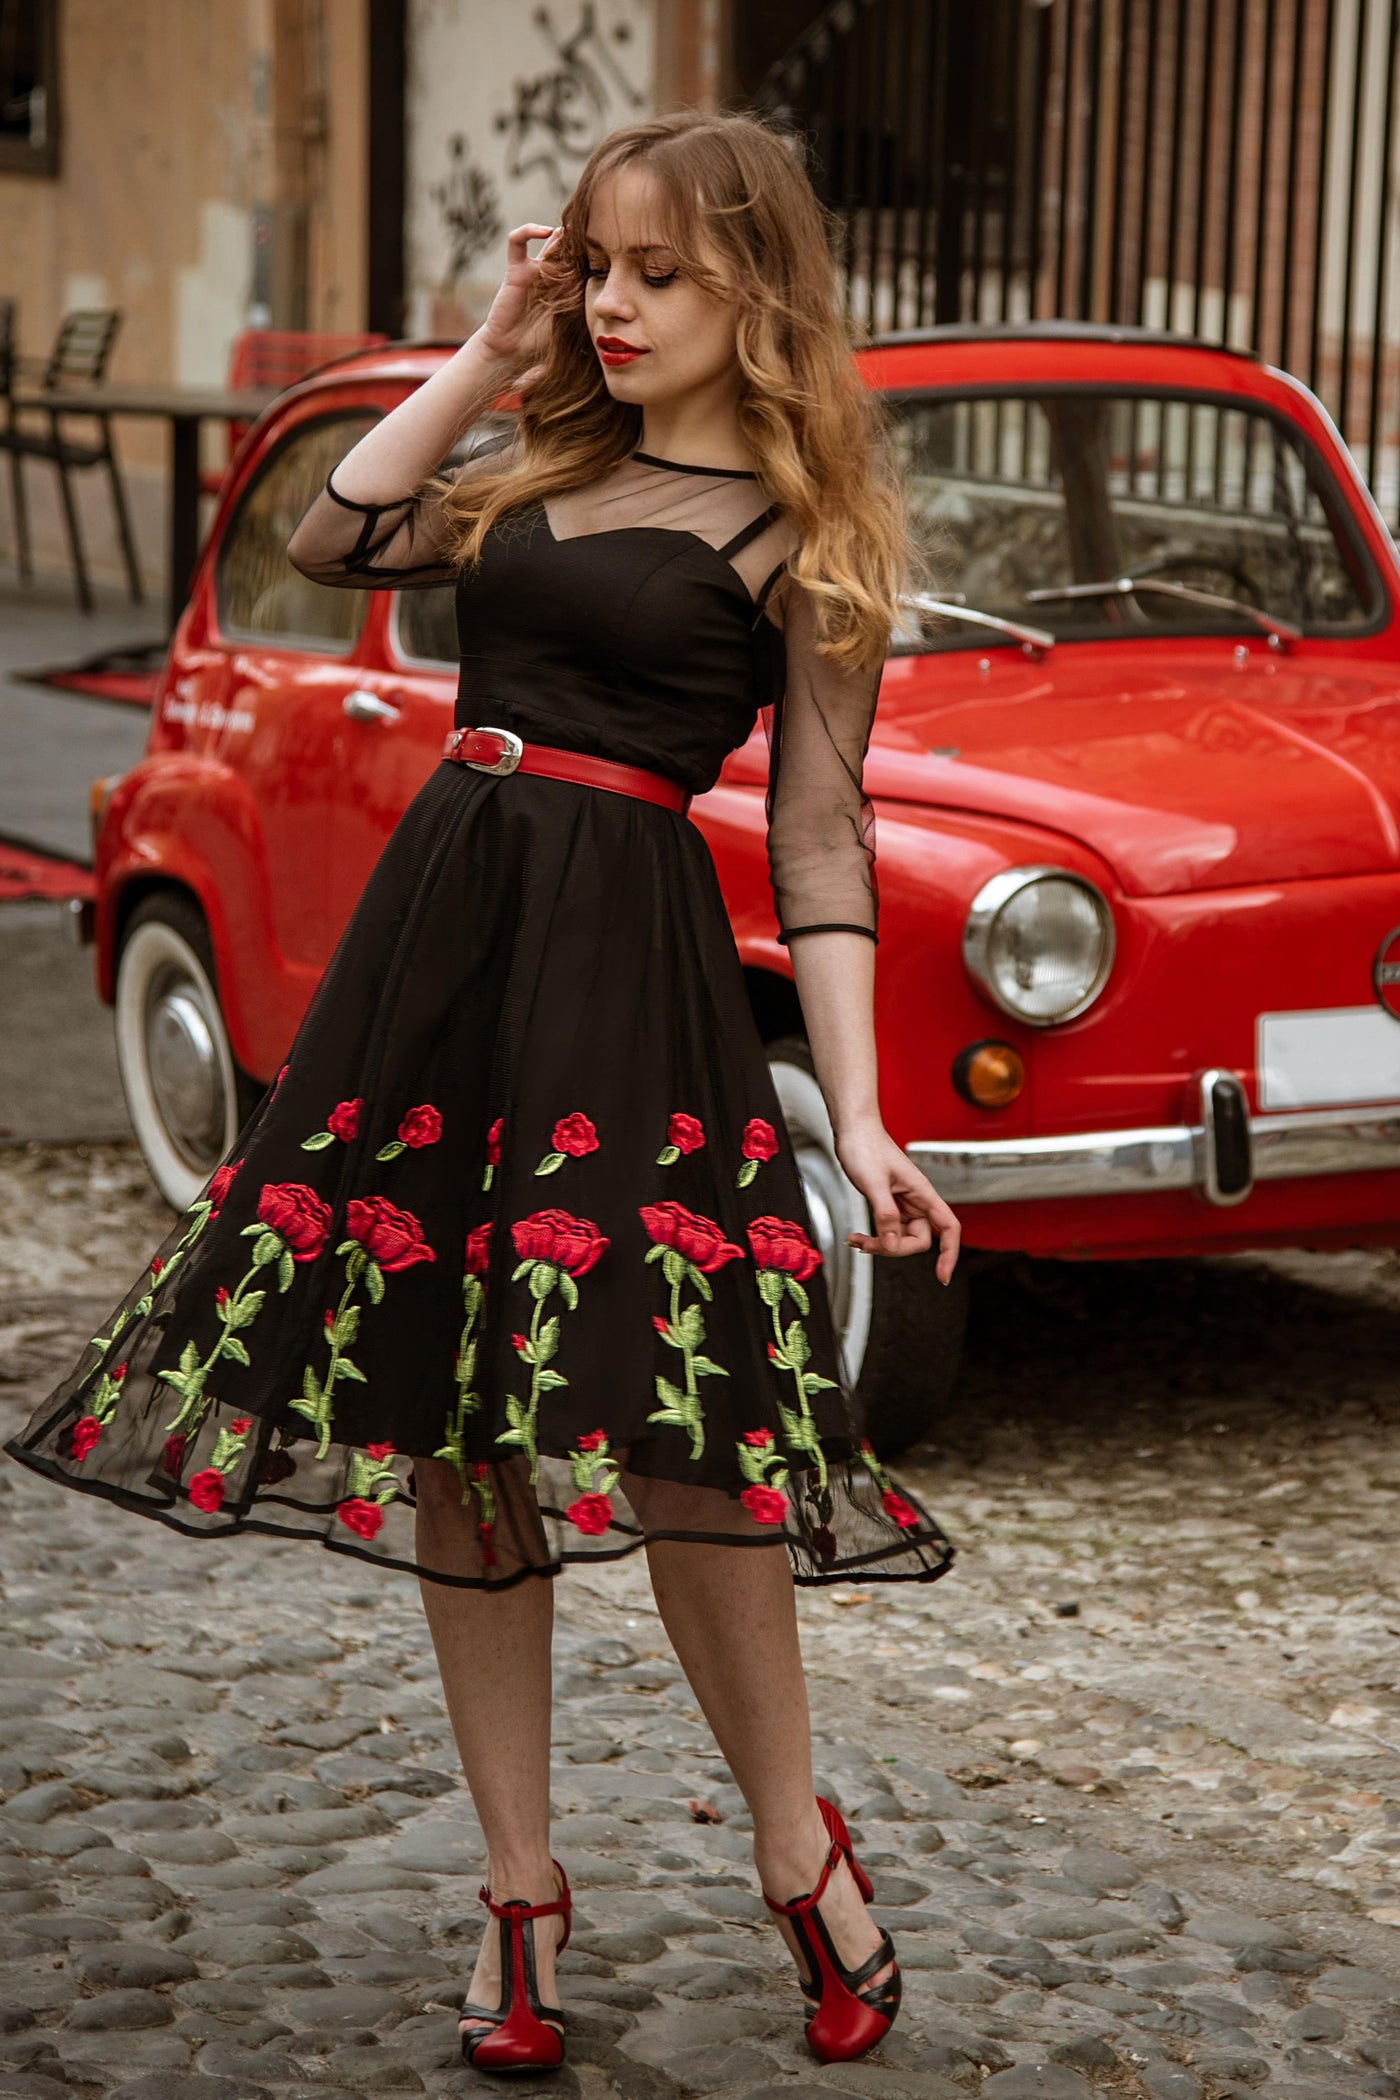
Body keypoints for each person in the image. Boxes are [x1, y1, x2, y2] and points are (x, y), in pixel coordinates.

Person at [5, 109, 960, 2075]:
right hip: (443, 958)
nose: (611, 303)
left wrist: (859, 1117)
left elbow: (824, 839)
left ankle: (799, 1851)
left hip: (629, 985)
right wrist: (496, 335)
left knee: (687, 1432)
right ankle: (519, 1894)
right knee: (451, 1417)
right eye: (594, 265)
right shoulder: (540, 460)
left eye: (654, 275)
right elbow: (333, 528)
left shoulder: (801, 537)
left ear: (756, 293)